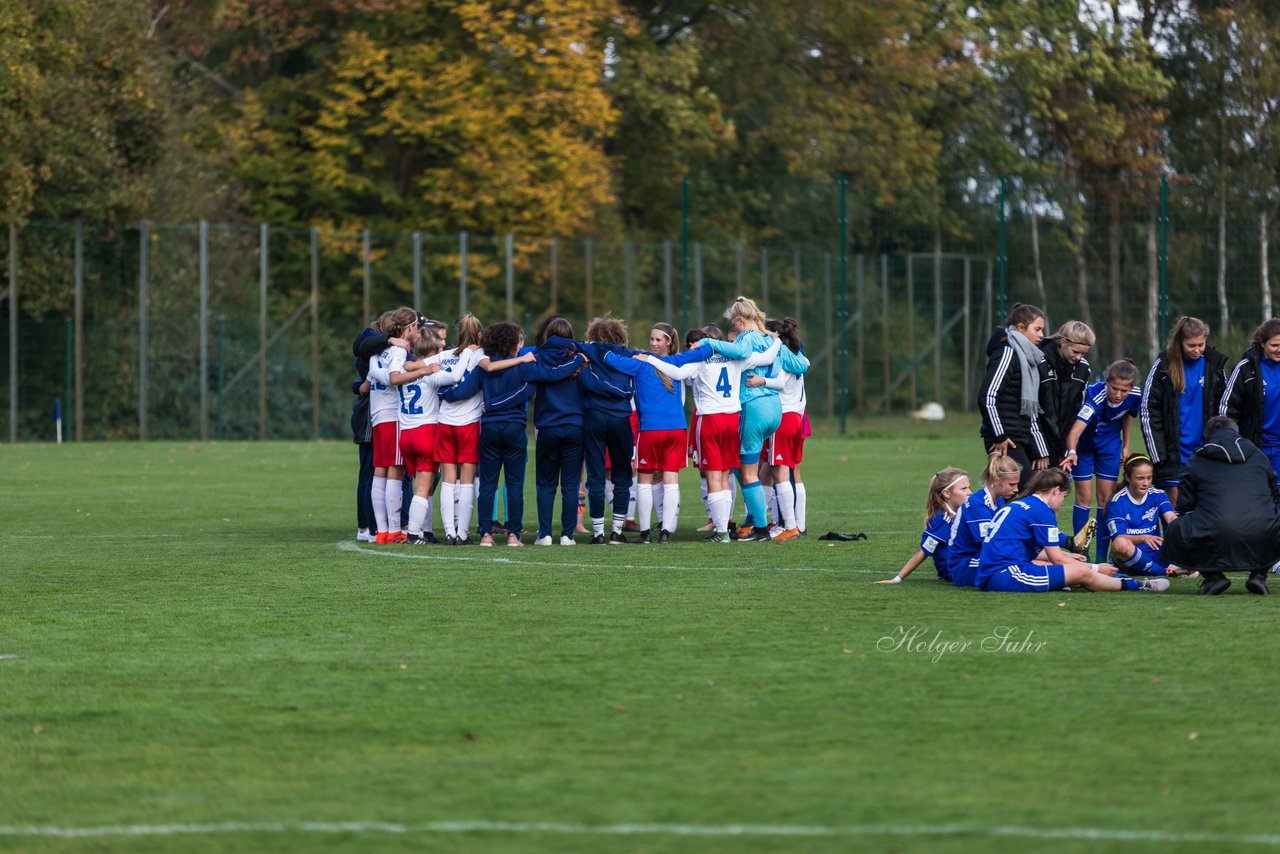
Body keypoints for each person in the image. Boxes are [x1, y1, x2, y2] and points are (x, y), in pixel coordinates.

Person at [442, 322, 585, 547]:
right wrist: (577, 360)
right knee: (514, 484)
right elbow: (553, 375)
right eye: (520, 340)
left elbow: (462, 392)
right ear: (514, 343)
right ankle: (513, 535)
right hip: (514, 429)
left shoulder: (484, 366)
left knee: (488, 484)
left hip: (489, 430)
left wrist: (441, 391)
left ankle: (486, 535)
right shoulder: (524, 366)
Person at [647, 327, 781, 543]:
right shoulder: (735, 356)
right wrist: (777, 340)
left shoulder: (701, 359)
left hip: (710, 420)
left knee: (713, 477)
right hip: (732, 419)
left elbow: (678, 373)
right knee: (726, 475)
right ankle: (725, 528)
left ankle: (721, 532)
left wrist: (651, 360)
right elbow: (766, 357)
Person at [699, 296, 799, 542]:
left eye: (735, 324)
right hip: (774, 408)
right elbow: (799, 364)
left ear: (741, 320)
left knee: (746, 472)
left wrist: (711, 342)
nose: (735, 329)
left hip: (752, 406)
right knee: (748, 467)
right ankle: (754, 520)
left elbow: (741, 350)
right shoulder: (770, 338)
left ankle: (761, 529)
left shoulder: (748, 337)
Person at [976, 468, 1169, 593]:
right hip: (1006, 574)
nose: (1061, 503)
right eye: (1063, 497)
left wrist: (1069, 558)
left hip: (997, 571)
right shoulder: (1042, 511)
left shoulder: (1023, 503)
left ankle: (1105, 578)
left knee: (1069, 567)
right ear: (1055, 491)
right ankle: (1138, 585)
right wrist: (1095, 567)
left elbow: (1040, 552)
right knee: (1079, 572)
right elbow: (1056, 559)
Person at [1159, 415, 1280, 596]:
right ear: (1236, 432)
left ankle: (1213, 577)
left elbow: (1184, 505)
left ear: (1207, 436)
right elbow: (1274, 496)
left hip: (1216, 529)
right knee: (1271, 519)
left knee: (1176, 527)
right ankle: (1259, 575)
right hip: (1263, 529)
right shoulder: (1259, 455)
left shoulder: (1197, 459)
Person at [606, 323, 698, 543]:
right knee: (670, 479)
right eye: (652, 339)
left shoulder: (640, 365)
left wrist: (599, 348)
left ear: (669, 342)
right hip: (676, 429)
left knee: (646, 480)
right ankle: (665, 531)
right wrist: (706, 345)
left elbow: (609, 359)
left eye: (658, 340)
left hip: (651, 429)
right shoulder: (678, 360)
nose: (654, 344)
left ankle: (647, 532)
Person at [1140, 316, 1228, 505]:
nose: (1197, 350)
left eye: (1201, 344)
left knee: (1205, 510)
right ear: (1180, 342)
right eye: (1191, 345)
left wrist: (1220, 446)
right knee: (1176, 513)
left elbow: (1225, 409)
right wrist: (1159, 456)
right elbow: (1148, 410)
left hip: (1206, 454)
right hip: (1173, 457)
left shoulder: (1215, 366)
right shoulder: (1164, 365)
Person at [1061, 359, 1142, 561]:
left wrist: (1126, 445)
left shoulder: (1135, 396)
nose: (1118, 394)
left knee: (1106, 500)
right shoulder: (1094, 396)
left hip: (1110, 447)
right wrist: (1071, 451)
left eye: (1124, 390)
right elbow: (1074, 432)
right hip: (1084, 447)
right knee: (1084, 497)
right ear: (1106, 381)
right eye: (1114, 388)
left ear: (1131, 387)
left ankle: (1101, 559)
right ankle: (1082, 555)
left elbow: (1127, 416)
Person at [747, 316, 810, 541]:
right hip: (796, 417)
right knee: (772, 471)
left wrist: (760, 382)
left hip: (782, 417)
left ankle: (790, 527)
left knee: (780, 473)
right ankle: (763, 523)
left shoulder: (781, 355)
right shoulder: (796, 355)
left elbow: (780, 383)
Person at [367, 308, 427, 544]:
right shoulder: (399, 351)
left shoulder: (378, 350)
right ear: (409, 328)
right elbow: (393, 378)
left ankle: (382, 531)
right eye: (416, 327)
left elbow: (373, 373)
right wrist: (422, 371)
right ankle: (393, 530)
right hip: (393, 416)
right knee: (396, 470)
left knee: (380, 471)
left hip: (378, 415)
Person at [527, 315, 587, 546]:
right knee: (571, 484)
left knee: (546, 483)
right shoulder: (580, 359)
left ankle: (545, 534)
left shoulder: (538, 358)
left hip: (549, 427)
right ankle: (567, 535)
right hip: (575, 427)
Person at [978, 304, 1051, 488]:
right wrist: (999, 436)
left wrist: (1041, 451)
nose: (1042, 335)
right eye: (1037, 329)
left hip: (1021, 436)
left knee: (1026, 491)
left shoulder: (1029, 359)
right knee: (1023, 491)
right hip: (1006, 439)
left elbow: (1031, 411)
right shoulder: (1007, 352)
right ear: (1020, 327)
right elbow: (987, 396)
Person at [435, 314, 486, 545]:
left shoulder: (446, 355)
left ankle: (449, 532)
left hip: (444, 420)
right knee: (467, 479)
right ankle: (462, 533)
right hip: (469, 422)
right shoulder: (481, 356)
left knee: (448, 479)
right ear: (479, 333)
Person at [876, 468, 972, 584]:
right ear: (947, 493)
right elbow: (923, 552)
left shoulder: (961, 511)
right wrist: (896, 579)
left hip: (963, 562)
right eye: (963, 489)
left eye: (969, 487)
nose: (969, 492)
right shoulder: (942, 519)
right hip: (954, 571)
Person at [946, 453, 1023, 587]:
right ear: (996, 479)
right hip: (964, 565)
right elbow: (989, 544)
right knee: (1020, 561)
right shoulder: (977, 504)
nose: (1016, 489)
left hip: (983, 555)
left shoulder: (998, 500)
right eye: (1012, 484)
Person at [1220, 318, 1280, 475]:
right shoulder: (1246, 369)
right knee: (1257, 497)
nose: (1279, 349)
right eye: (1274, 345)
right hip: (1254, 448)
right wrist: (1233, 444)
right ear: (1262, 344)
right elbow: (1227, 408)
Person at [1106, 454, 1179, 577]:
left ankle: (1179, 567)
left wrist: (1183, 529)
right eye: (1140, 478)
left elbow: (1170, 517)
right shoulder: (1117, 502)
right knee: (1119, 544)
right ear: (1128, 477)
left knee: (1182, 528)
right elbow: (1119, 538)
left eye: (1149, 478)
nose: (1146, 483)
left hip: (1157, 554)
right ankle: (1165, 572)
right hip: (1129, 558)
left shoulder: (1158, 494)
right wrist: (1144, 538)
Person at [1038, 320, 1095, 466]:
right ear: (1063, 342)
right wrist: (1039, 450)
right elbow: (1034, 411)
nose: (1078, 357)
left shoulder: (1083, 369)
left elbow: (1076, 410)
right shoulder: (1039, 362)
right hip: (1037, 443)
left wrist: (1067, 449)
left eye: (1083, 353)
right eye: (1075, 352)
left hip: (1061, 446)